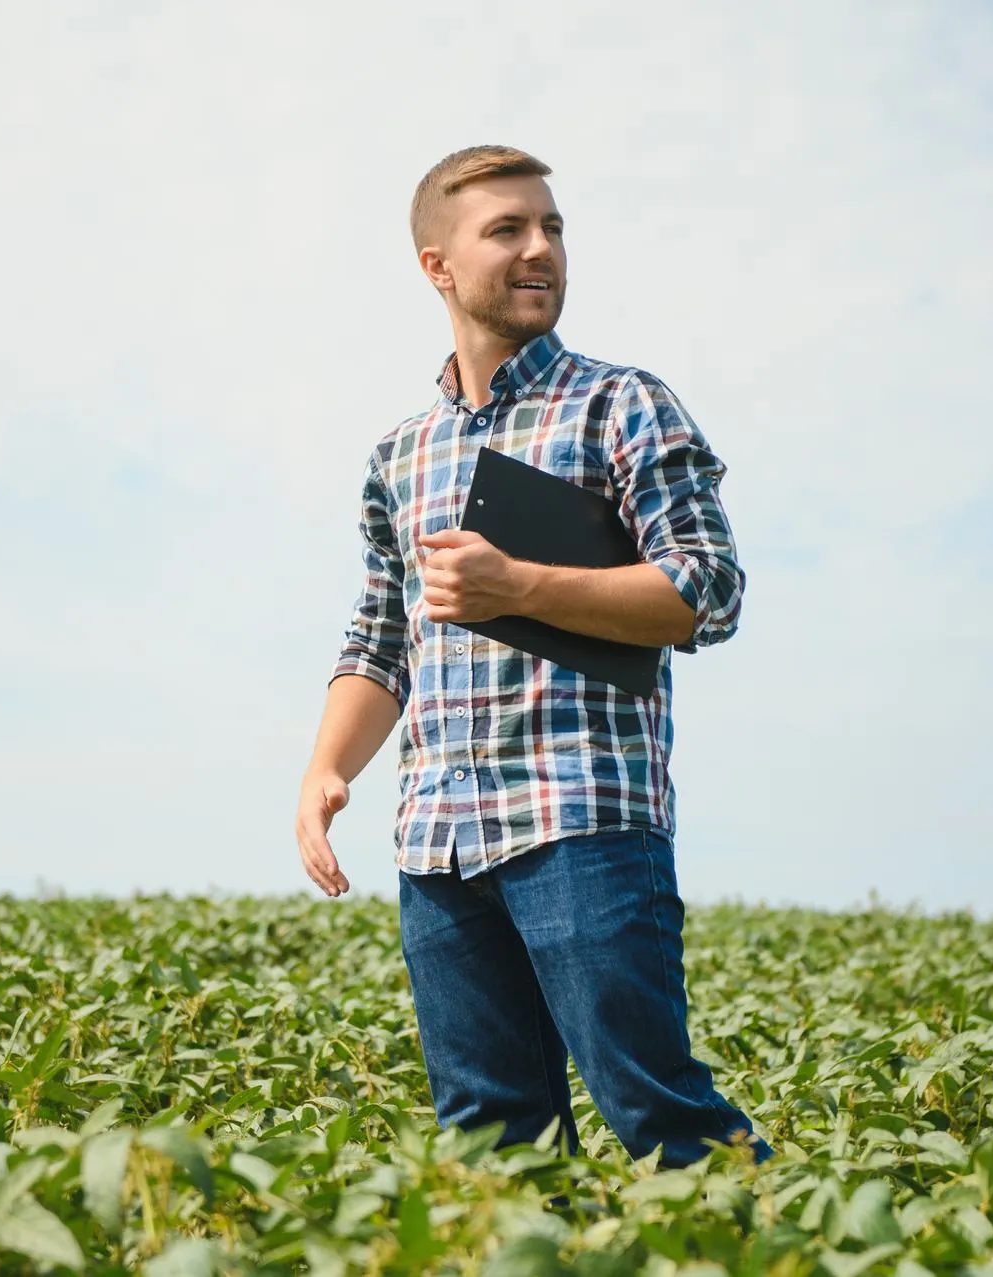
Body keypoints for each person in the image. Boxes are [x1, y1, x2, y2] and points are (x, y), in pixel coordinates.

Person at [293, 144, 769, 1169]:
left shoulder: (622, 404)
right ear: (438, 266)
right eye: (507, 230)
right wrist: (327, 769)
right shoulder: (400, 454)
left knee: (661, 1114)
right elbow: (382, 635)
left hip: (584, 823)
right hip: (438, 848)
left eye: (551, 227)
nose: (540, 248)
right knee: (494, 1149)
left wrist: (523, 587)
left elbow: (709, 590)